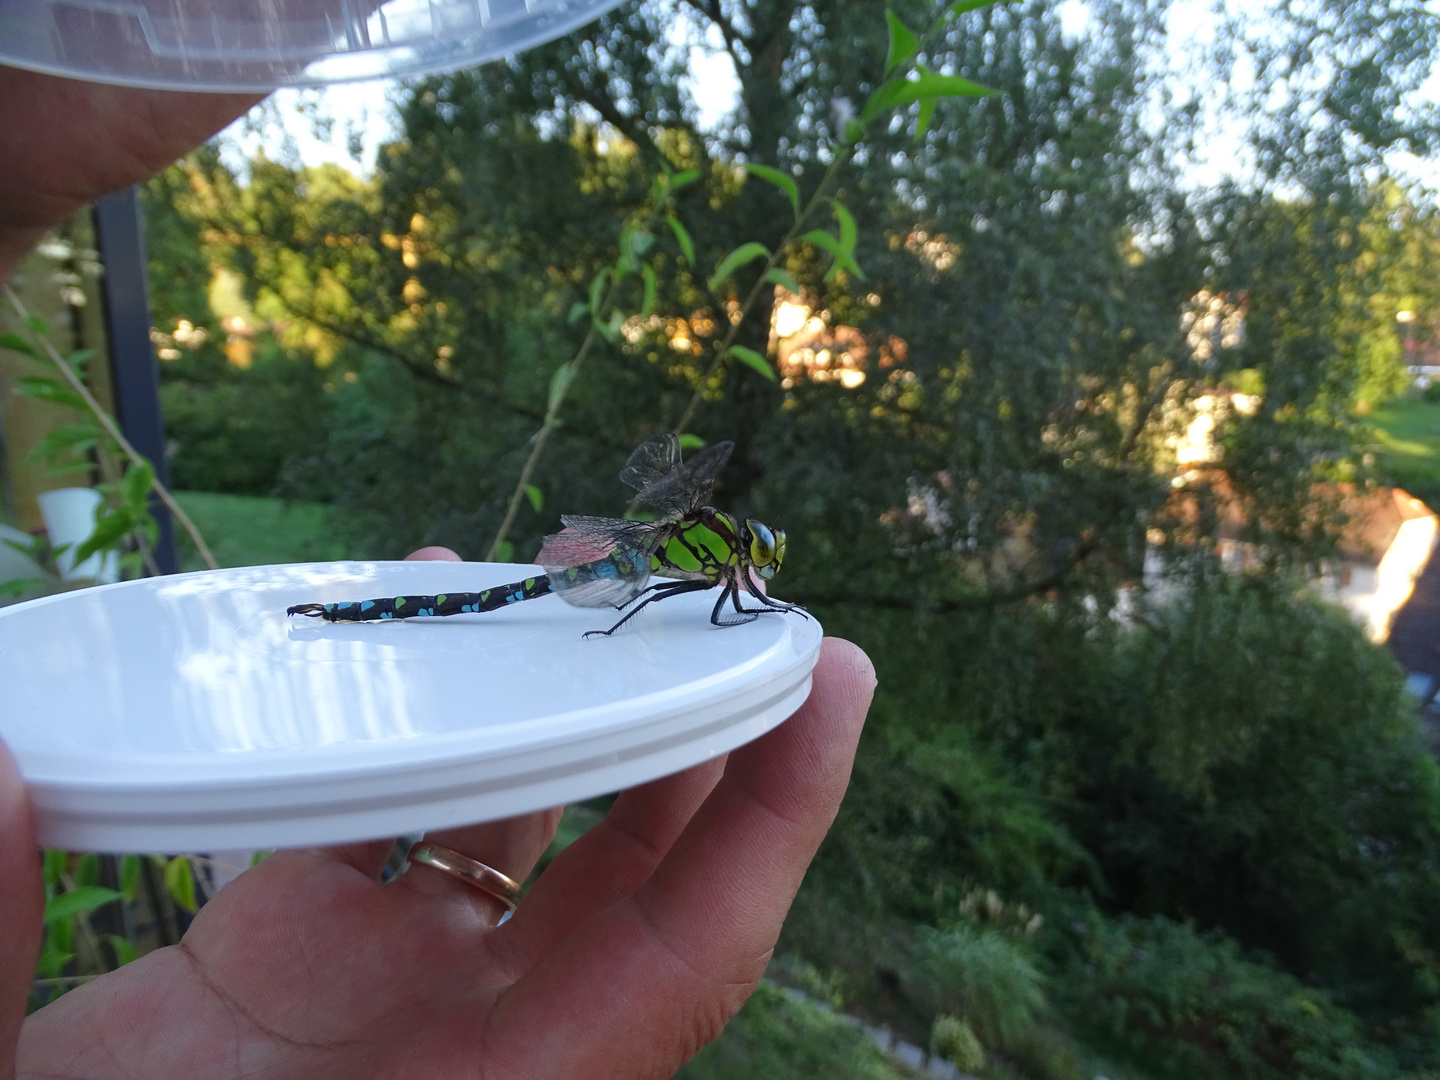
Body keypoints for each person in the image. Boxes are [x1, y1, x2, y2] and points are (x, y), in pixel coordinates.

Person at [0, 66, 877, 1079]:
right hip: (601, 568)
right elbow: (699, 600)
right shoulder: (693, 550)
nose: (751, 565)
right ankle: (345, 620)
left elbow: (715, 598)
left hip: (617, 567)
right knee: (516, 597)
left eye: (753, 558)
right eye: (750, 554)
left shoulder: (720, 552)